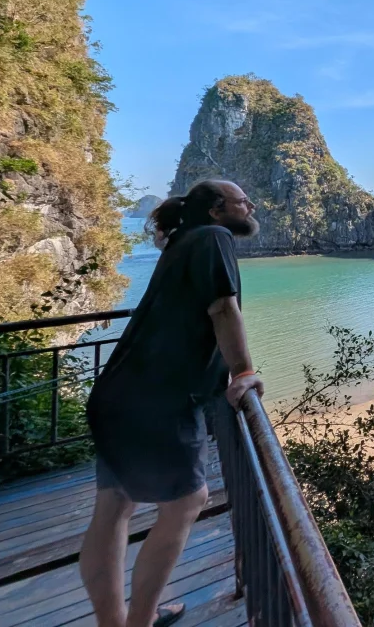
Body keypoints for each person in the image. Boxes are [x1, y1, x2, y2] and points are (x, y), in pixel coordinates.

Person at [80, 180, 265, 627]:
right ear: (219, 210)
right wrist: (243, 373)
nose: (252, 206)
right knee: (187, 502)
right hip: (157, 399)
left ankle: (115, 621)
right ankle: (138, 621)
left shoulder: (184, 240)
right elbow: (222, 308)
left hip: (118, 394)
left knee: (113, 506)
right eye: (243, 202)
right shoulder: (213, 238)